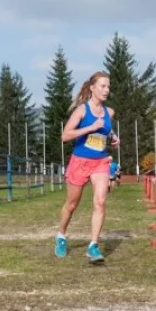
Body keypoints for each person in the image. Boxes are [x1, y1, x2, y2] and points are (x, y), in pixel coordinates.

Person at [54, 71, 119, 263]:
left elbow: (106, 129)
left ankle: (93, 246)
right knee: (72, 204)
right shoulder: (82, 111)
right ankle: (61, 236)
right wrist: (90, 128)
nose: (106, 90)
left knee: (100, 201)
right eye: (102, 86)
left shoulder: (109, 112)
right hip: (80, 161)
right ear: (92, 88)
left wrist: (113, 137)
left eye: (108, 87)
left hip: (100, 161)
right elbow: (65, 136)